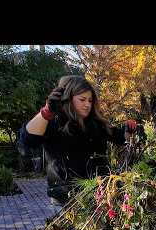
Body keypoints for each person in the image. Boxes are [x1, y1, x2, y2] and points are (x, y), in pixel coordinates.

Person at [19, 75, 137, 205]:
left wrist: (128, 129)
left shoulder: (96, 124)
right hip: (65, 200)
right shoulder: (53, 122)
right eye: (82, 99)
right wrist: (46, 112)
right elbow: (27, 141)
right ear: (68, 99)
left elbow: (120, 138)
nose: (87, 104)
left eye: (90, 100)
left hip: (98, 196)